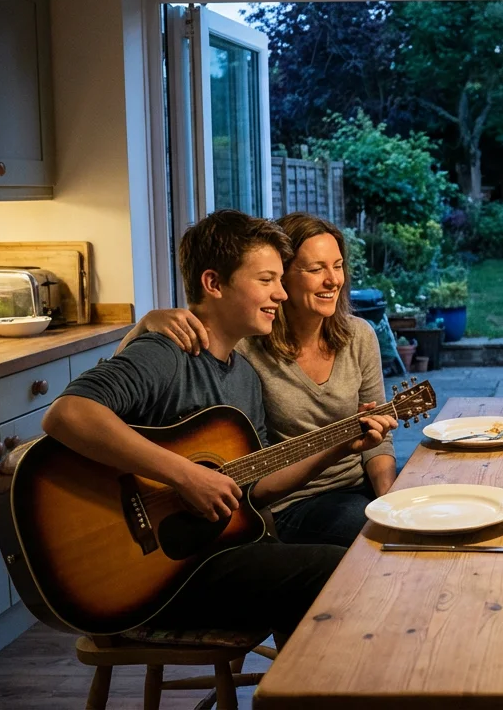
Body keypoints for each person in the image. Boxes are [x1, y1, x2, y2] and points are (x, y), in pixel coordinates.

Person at [41, 210, 394, 637]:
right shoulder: (167, 353)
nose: (281, 295)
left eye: (281, 280)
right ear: (213, 284)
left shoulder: (243, 376)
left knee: (329, 565)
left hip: (212, 548)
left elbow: (256, 486)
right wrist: (186, 476)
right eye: (267, 281)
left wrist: (340, 445)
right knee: (338, 568)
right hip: (163, 573)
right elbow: (66, 413)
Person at [117, 213, 397, 548]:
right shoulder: (244, 347)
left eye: (338, 266)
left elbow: (379, 441)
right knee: (369, 541)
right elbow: (96, 396)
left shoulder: (358, 336)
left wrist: (391, 502)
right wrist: (145, 322)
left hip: (353, 485)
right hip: (295, 502)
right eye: (315, 269)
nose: (333, 280)